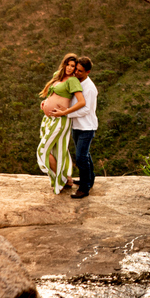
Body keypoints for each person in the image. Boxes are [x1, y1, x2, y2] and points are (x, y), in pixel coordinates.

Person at [36, 53, 86, 194]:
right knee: (57, 150)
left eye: (73, 66)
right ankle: (67, 179)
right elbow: (53, 93)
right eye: (68, 65)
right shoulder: (57, 75)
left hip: (60, 120)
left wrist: (65, 112)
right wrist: (46, 101)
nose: (69, 68)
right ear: (63, 64)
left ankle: (61, 178)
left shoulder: (72, 81)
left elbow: (82, 102)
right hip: (48, 119)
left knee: (42, 150)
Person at [61, 56, 98, 199]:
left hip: (86, 127)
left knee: (81, 157)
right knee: (85, 155)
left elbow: (86, 110)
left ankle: (84, 188)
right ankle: (89, 180)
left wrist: (66, 114)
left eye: (80, 71)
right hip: (77, 126)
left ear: (88, 72)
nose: (76, 72)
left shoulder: (90, 88)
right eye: (76, 69)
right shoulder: (77, 82)